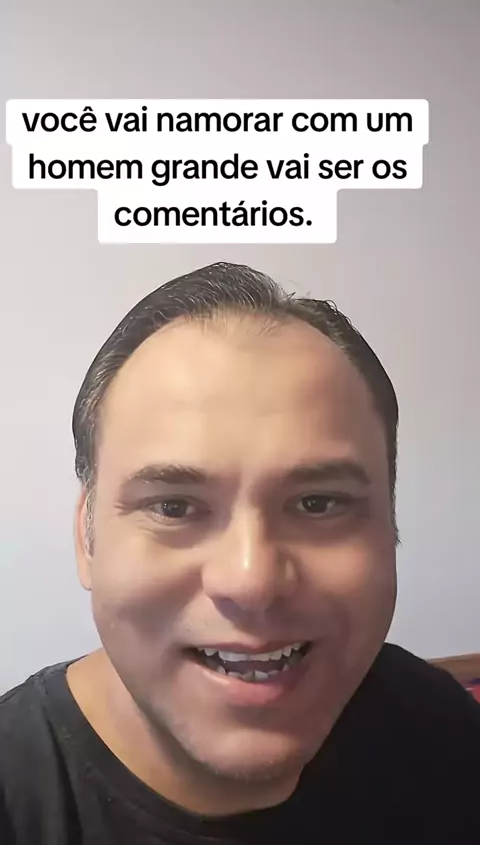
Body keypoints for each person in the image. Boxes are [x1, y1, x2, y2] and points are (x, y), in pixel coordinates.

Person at [0, 262, 478, 844]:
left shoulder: (437, 723)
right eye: (174, 507)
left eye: (318, 503)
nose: (252, 581)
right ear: (87, 537)